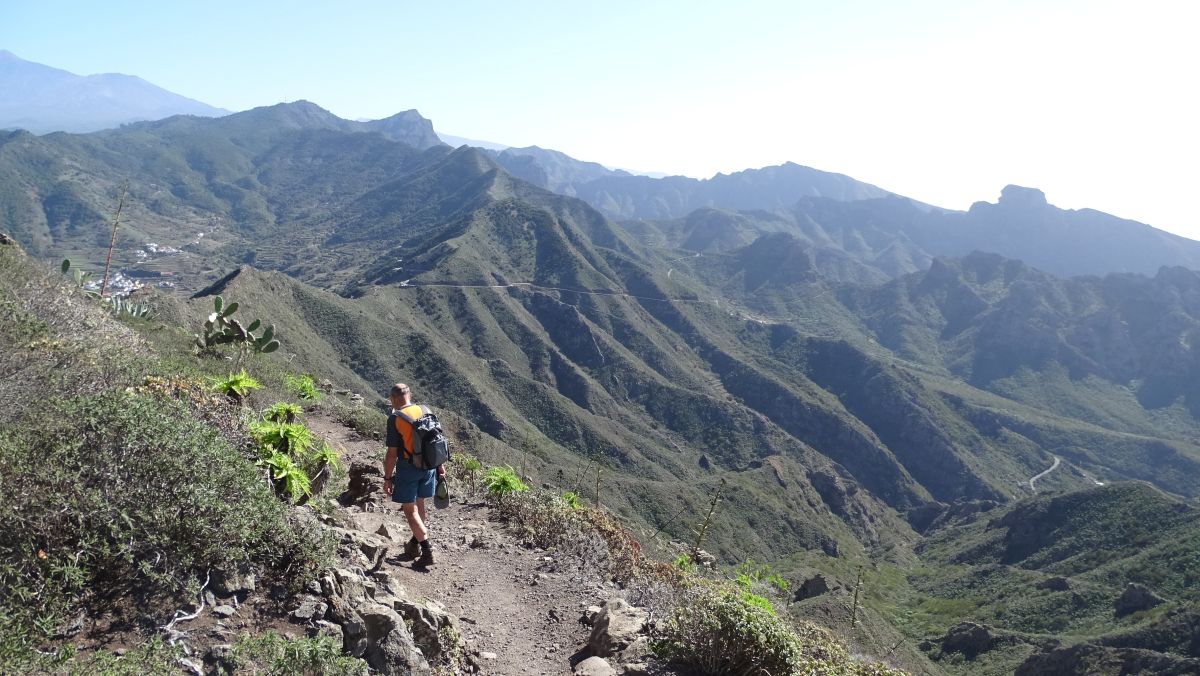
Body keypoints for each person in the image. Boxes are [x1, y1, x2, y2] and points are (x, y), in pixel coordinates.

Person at [383, 382, 440, 567]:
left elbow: (392, 453)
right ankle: (414, 545)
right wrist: (440, 467)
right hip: (429, 466)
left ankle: (427, 550)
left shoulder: (395, 419)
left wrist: (387, 477)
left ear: (392, 399)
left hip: (409, 468)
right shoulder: (425, 410)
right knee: (420, 503)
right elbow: (436, 441)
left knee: (410, 510)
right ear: (410, 395)